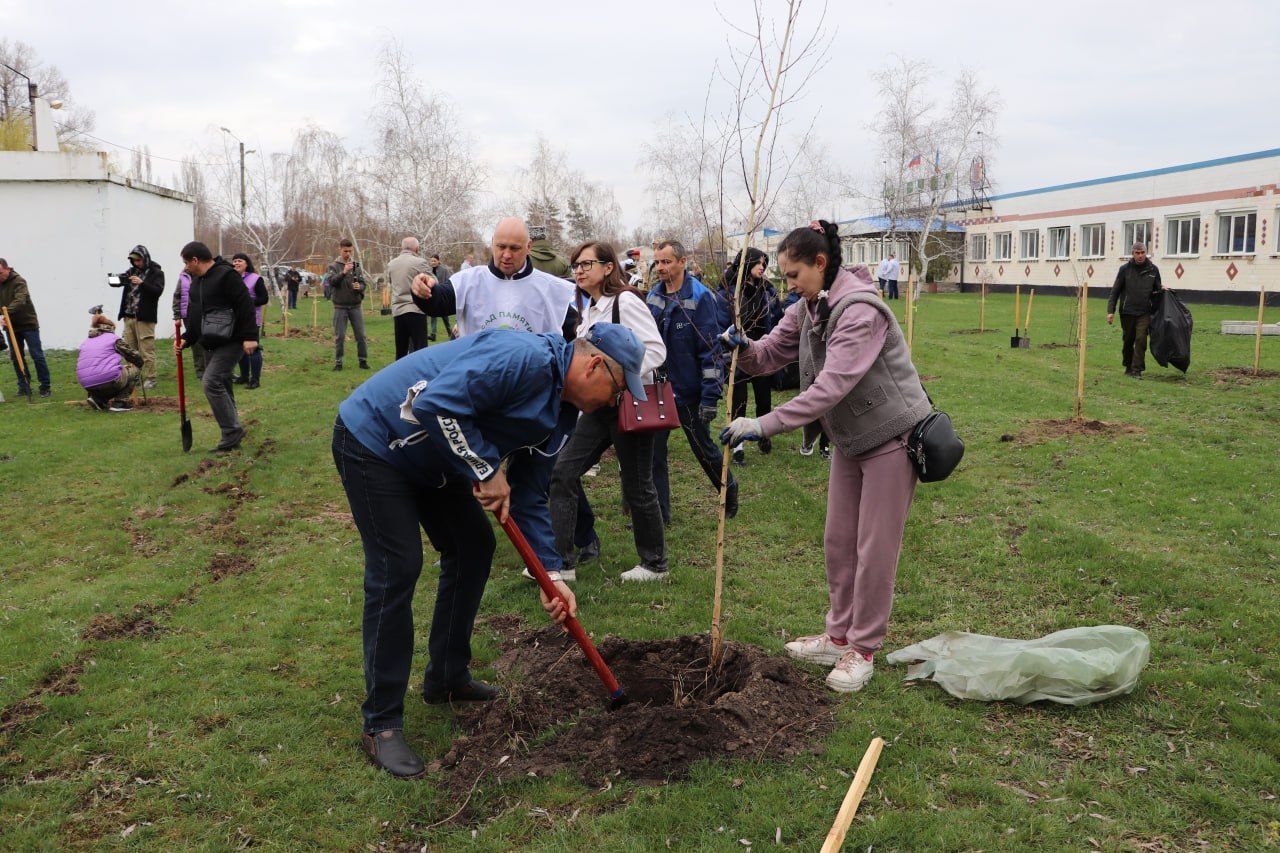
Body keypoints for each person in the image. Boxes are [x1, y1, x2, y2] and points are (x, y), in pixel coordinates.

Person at [332, 324, 646, 778]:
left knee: (473, 547)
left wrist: (551, 575)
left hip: (435, 460)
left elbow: (533, 492)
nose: (614, 402)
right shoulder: (522, 357)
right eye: (617, 390)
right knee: (397, 566)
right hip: (376, 442)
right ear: (594, 364)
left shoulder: (561, 414)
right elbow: (435, 404)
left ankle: (447, 678)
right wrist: (484, 467)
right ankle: (380, 724)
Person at [719, 220, 931, 693]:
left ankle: (864, 649)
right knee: (838, 542)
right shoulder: (807, 306)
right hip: (853, 441)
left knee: (874, 549)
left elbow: (830, 387)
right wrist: (745, 350)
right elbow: (773, 352)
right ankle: (838, 637)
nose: (788, 285)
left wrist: (762, 424)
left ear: (820, 263)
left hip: (892, 438)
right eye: (784, 277)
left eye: (794, 275)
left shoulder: (860, 312)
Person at [409, 216, 580, 581]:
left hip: (531, 399)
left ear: (528, 248)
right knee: (461, 470)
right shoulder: (470, 281)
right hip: (479, 398)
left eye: (514, 248)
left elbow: (571, 338)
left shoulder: (552, 288)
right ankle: (457, 544)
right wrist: (422, 289)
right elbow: (438, 301)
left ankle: (573, 543)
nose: (506, 255)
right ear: (492, 244)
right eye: (500, 247)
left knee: (536, 477)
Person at [549, 241, 669, 583]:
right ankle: (563, 563)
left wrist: (619, 378)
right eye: (576, 266)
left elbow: (656, 349)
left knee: (637, 485)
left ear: (607, 267)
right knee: (562, 472)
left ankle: (654, 564)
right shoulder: (588, 308)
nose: (580, 270)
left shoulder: (625, 301)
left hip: (629, 403)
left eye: (587, 264)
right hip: (599, 408)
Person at [646, 239, 737, 521]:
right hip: (658, 389)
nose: (660, 267)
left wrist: (710, 397)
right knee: (654, 455)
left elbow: (710, 351)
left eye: (666, 261)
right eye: (657, 262)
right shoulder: (653, 296)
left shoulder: (700, 298)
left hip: (689, 391)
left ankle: (728, 490)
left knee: (702, 448)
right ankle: (660, 512)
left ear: (682, 262)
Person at [176, 242, 259, 454]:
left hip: (232, 340)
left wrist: (250, 336)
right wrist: (187, 337)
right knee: (222, 383)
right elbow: (195, 314)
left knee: (210, 382)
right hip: (209, 342)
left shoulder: (226, 275)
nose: (185, 267)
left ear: (196, 260)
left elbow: (245, 305)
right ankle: (233, 435)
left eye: (187, 262)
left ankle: (231, 433)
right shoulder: (197, 281)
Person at [718, 247, 781, 464]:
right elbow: (722, 322)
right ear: (746, 264)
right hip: (736, 350)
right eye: (758, 263)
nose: (762, 267)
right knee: (739, 400)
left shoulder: (767, 290)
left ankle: (764, 434)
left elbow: (775, 318)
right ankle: (738, 447)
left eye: (764, 263)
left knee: (764, 397)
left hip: (760, 349)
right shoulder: (729, 290)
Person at [110, 245, 165, 389]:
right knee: (130, 350)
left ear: (145, 259)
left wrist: (142, 283)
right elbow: (115, 283)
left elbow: (157, 292)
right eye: (134, 261)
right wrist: (115, 279)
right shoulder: (131, 272)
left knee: (146, 349)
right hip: (128, 317)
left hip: (145, 318)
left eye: (139, 260)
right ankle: (133, 378)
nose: (136, 263)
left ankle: (150, 379)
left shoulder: (156, 272)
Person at [1107, 242, 1164, 379]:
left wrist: (1163, 290)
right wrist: (1110, 311)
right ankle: (1128, 365)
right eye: (1137, 253)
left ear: (1146, 253)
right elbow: (1115, 291)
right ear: (1132, 254)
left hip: (1144, 312)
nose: (1140, 256)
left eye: (1142, 253)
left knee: (1141, 339)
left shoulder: (1153, 270)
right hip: (1127, 311)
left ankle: (1137, 370)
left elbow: (1157, 290)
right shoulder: (1124, 270)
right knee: (1128, 340)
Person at [0, 258, 52, 398]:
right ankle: (24, 386)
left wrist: (5, 314)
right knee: (16, 357)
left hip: (28, 324)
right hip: (11, 326)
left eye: (0, 273)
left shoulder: (19, 282)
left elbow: (20, 301)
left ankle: (45, 387)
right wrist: (3, 318)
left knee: (37, 355)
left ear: (7, 269)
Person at [76, 314, 143, 412]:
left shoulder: (86, 342)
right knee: (134, 370)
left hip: (86, 383)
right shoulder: (113, 339)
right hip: (107, 379)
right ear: (111, 327)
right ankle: (120, 403)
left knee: (105, 375)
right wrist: (140, 362)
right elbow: (135, 357)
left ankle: (98, 399)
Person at [327, 239, 369, 371]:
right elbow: (332, 282)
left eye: (350, 251)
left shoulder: (356, 266)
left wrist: (359, 287)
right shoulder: (333, 266)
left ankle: (363, 361)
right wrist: (344, 272)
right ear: (340, 249)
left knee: (361, 335)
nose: (348, 254)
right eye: (345, 251)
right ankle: (338, 362)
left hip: (355, 306)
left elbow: (363, 283)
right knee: (340, 336)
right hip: (340, 307)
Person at [386, 237, 432, 359]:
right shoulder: (420, 262)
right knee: (420, 349)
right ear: (417, 249)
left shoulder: (391, 264)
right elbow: (434, 282)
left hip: (398, 310)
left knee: (400, 350)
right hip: (415, 308)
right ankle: (420, 376)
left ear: (402, 248)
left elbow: (391, 283)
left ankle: (399, 376)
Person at [231, 254, 269, 389]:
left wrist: (247, 303)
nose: (236, 263)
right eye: (234, 261)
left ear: (247, 264)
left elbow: (264, 298)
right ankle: (244, 376)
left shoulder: (255, 279)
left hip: (251, 319)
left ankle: (255, 380)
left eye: (239, 261)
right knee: (241, 349)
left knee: (253, 349)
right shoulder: (231, 278)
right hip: (235, 319)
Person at [171, 270, 205, 380]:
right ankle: (200, 371)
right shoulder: (183, 277)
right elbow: (177, 296)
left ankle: (215, 370)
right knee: (196, 343)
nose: (186, 265)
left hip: (205, 313)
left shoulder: (204, 274)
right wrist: (177, 316)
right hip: (188, 314)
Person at [426, 254, 454, 341]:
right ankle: (433, 335)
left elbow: (449, 280)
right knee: (433, 315)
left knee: (445, 316)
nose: (433, 263)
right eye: (432, 261)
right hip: (433, 296)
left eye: (434, 261)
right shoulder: (429, 271)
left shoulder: (444, 270)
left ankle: (450, 332)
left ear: (438, 261)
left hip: (442, 295)